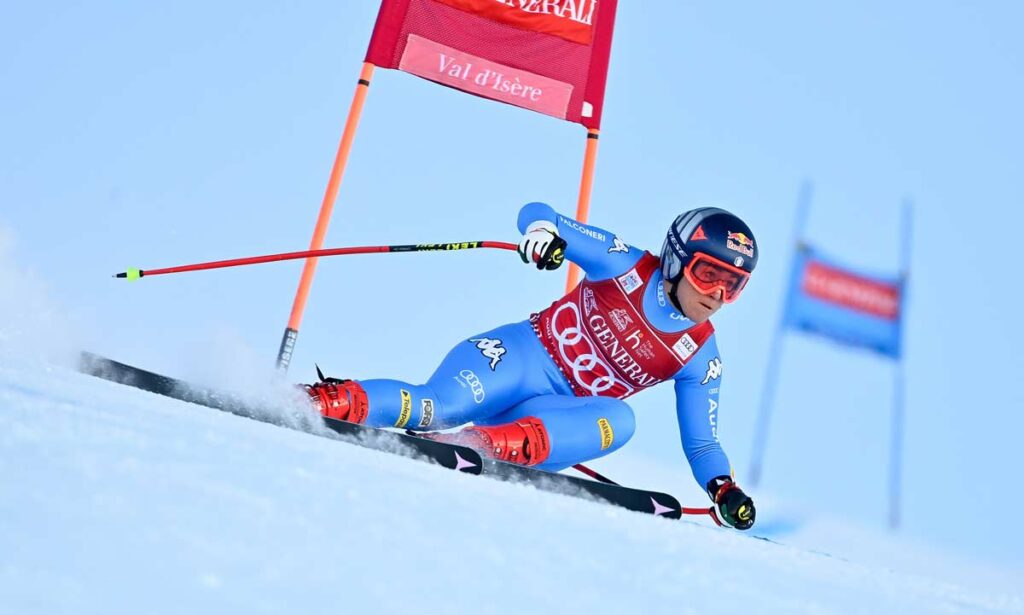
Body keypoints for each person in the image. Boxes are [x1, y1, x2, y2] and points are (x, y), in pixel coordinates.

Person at [302, 202, 758, 530]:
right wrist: (542, 235)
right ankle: (323, 402)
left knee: (621, 421)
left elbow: (702, 444)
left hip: (549, 420)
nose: (717, 295)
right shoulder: (624, 264)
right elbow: (540, 213)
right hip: (516, 360)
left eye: (733, 285)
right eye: (708, 275)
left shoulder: (700, 355)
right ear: (677, 260)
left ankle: (482, 444)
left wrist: (724, 489)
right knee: (433, 408)